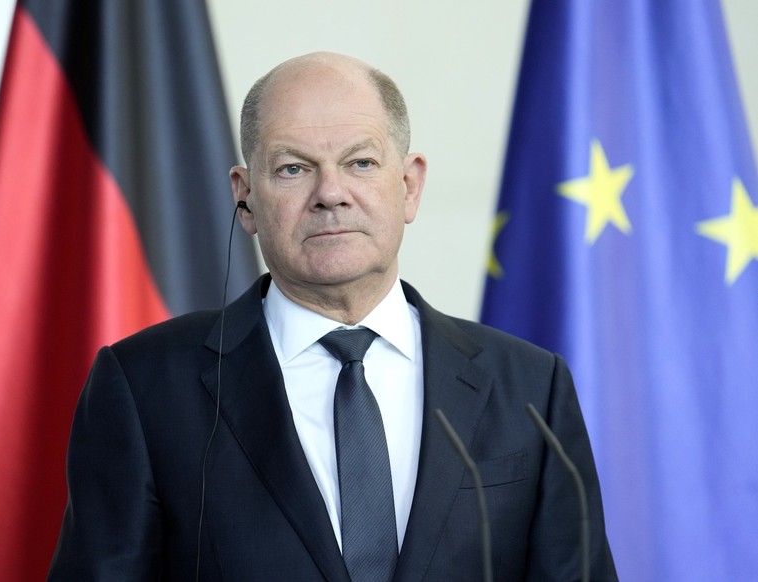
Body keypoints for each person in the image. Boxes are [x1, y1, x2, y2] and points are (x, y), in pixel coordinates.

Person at [48, 52, 617, 580]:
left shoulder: (530, 386)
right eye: (293, 169)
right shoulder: (144, 387)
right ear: (244, 198)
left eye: (361, 162)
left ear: (410, 185)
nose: (331, 193)